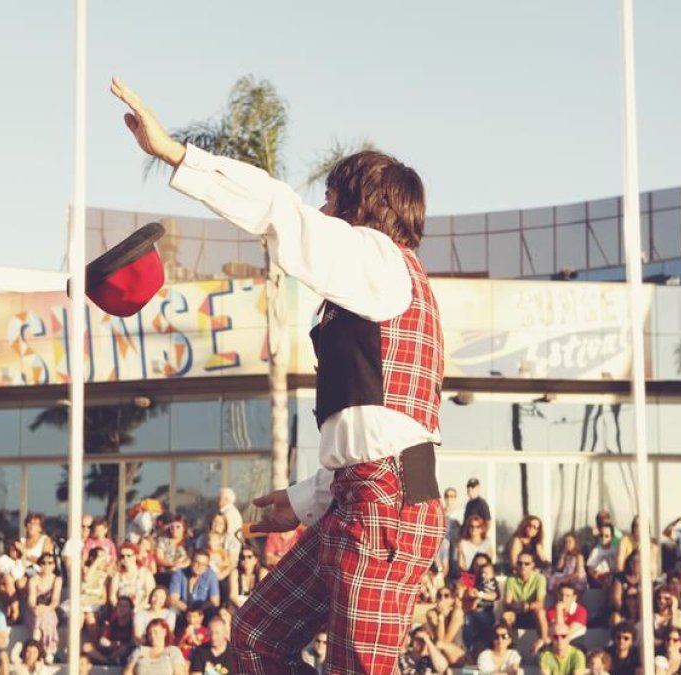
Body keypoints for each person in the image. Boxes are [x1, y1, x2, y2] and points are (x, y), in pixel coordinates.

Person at [111, 79, 445, 673]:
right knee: (256, 635)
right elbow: (377, 427)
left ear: (364, 208)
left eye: (331, 199)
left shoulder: (376, 259)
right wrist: (302, 498)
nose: (320, 211)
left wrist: (176, 154)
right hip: (364, 499)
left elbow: (277, 209)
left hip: (384, 508)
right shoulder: (379, 284)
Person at [25, 552, 62, 663]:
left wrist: (45, 609)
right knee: (40, 618)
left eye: (50, 563)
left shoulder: (57, 580)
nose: (46, 565)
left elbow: (55, 601)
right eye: (43, 563)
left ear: (54, 565)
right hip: (33, 612)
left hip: (50, 610)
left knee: (44, 619)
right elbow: (31, 601)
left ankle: (36, 647)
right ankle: (49, 652)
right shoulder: (33, 580)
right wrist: (35, 609)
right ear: (39, 565)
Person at [424, 583, 466, 666]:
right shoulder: (431, 613)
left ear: (452, 600)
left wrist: (441, 616)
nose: (442, 598)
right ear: (436, 599)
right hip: (440, 651)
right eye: (439, 596)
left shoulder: (457, 613)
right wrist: (441, 617)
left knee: (441, 645)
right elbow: (438, 638)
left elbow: (445, 640)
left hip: (457, 651)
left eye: (446, 595)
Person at [170, 549, 221, 614]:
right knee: (173, 610)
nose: (199, 566)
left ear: (207, 566)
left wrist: (197, 612)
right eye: (197, 562)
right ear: (191, 561)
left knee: (213, 610)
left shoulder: (211, 575)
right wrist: (188, 611)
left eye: (203, 564)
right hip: (183, 609)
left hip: (202, 611)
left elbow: (215, 602)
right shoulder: (179, 574)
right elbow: (173, 600)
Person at [114, 542, 157, 611]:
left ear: (135, 556)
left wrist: (136, 609)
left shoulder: (146, 574)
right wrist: (120, 609)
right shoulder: (118, 575)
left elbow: (150, 595)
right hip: (122, 611)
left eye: (128, 555)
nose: (125, 558)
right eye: (122, 556)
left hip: (142, 610)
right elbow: (112, 596)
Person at [227, 545, 267, 610]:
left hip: (257, 607)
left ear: (255, 559)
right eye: (243, 557)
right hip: (238, 607)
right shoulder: (235, 572)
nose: (246, 560)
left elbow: (263, 595)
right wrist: (244, 608)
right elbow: (233, 596)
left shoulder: (262, 572)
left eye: (249, 557)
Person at [586, 524, 619, 589]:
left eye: (606, 536)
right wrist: (598, 578)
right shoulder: (596, 550)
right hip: (598, 579)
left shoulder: (615, 550)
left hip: (612, 578)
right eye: (601, 536)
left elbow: (618, 567)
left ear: (612, 537)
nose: (603, 538)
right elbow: (590, 568)